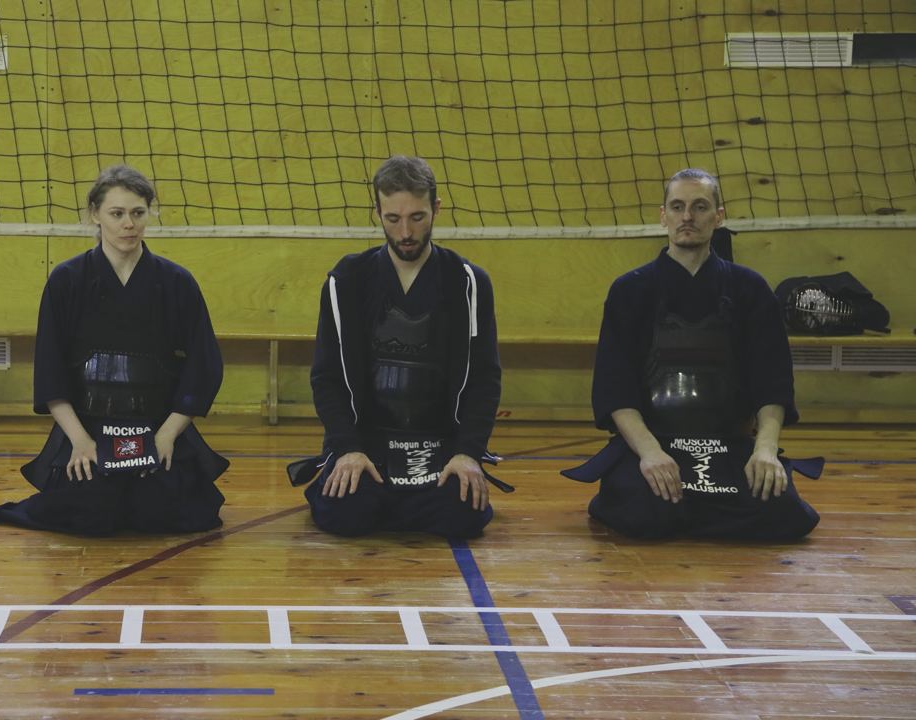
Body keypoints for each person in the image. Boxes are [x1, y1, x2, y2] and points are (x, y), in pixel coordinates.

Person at [563, 168, 820, 541]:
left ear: (718, 216)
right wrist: (650, 453)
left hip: (729, 443)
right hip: (653, 441)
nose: (687, 217)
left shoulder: (750, 289)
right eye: (677, 207)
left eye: (700, 207)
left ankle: (692, 510)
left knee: (783, 513)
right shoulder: (630, 290)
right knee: (644, 513)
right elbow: (614, 389)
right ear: (663, 216)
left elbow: (773, 382)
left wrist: (765, 450)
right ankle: (697, 508)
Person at [0, 165, 228, 535]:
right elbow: (51, 371)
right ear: (95, 215)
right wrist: (79, 441)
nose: (128, 224)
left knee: (163, 513)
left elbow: (204, 366)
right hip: (89, 427)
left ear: (149, 213)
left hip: (157, 426)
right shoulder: (67, 280)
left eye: (138, 213)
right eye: (116, 213)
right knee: (93, 514)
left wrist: (167, 435)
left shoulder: (176, 282)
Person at [287, 155, 510, 538]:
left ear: (436, 208)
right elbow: (327, 377)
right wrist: (347, 448)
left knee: (461, 515)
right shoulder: (347, 280)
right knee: (344, 513)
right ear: (377, 212)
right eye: (393, 218)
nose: (405, 231)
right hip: (368, 440)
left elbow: (484, 378)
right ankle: (386, 498)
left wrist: (468, 453)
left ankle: (404, 503)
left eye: (417, 217)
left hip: (440, 442)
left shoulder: (468, 283)